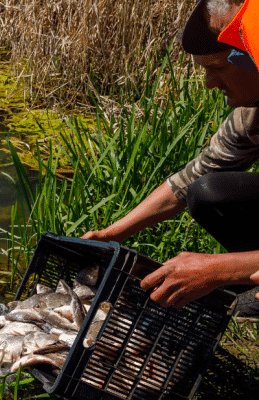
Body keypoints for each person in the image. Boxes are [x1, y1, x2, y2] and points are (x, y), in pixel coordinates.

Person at [82, 0, 259, 313]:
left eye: (218, 68)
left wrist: (217, 269)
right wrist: (112, 234)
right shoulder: (251, 115)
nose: (209, 83)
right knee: (206, 193)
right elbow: (194, 176)